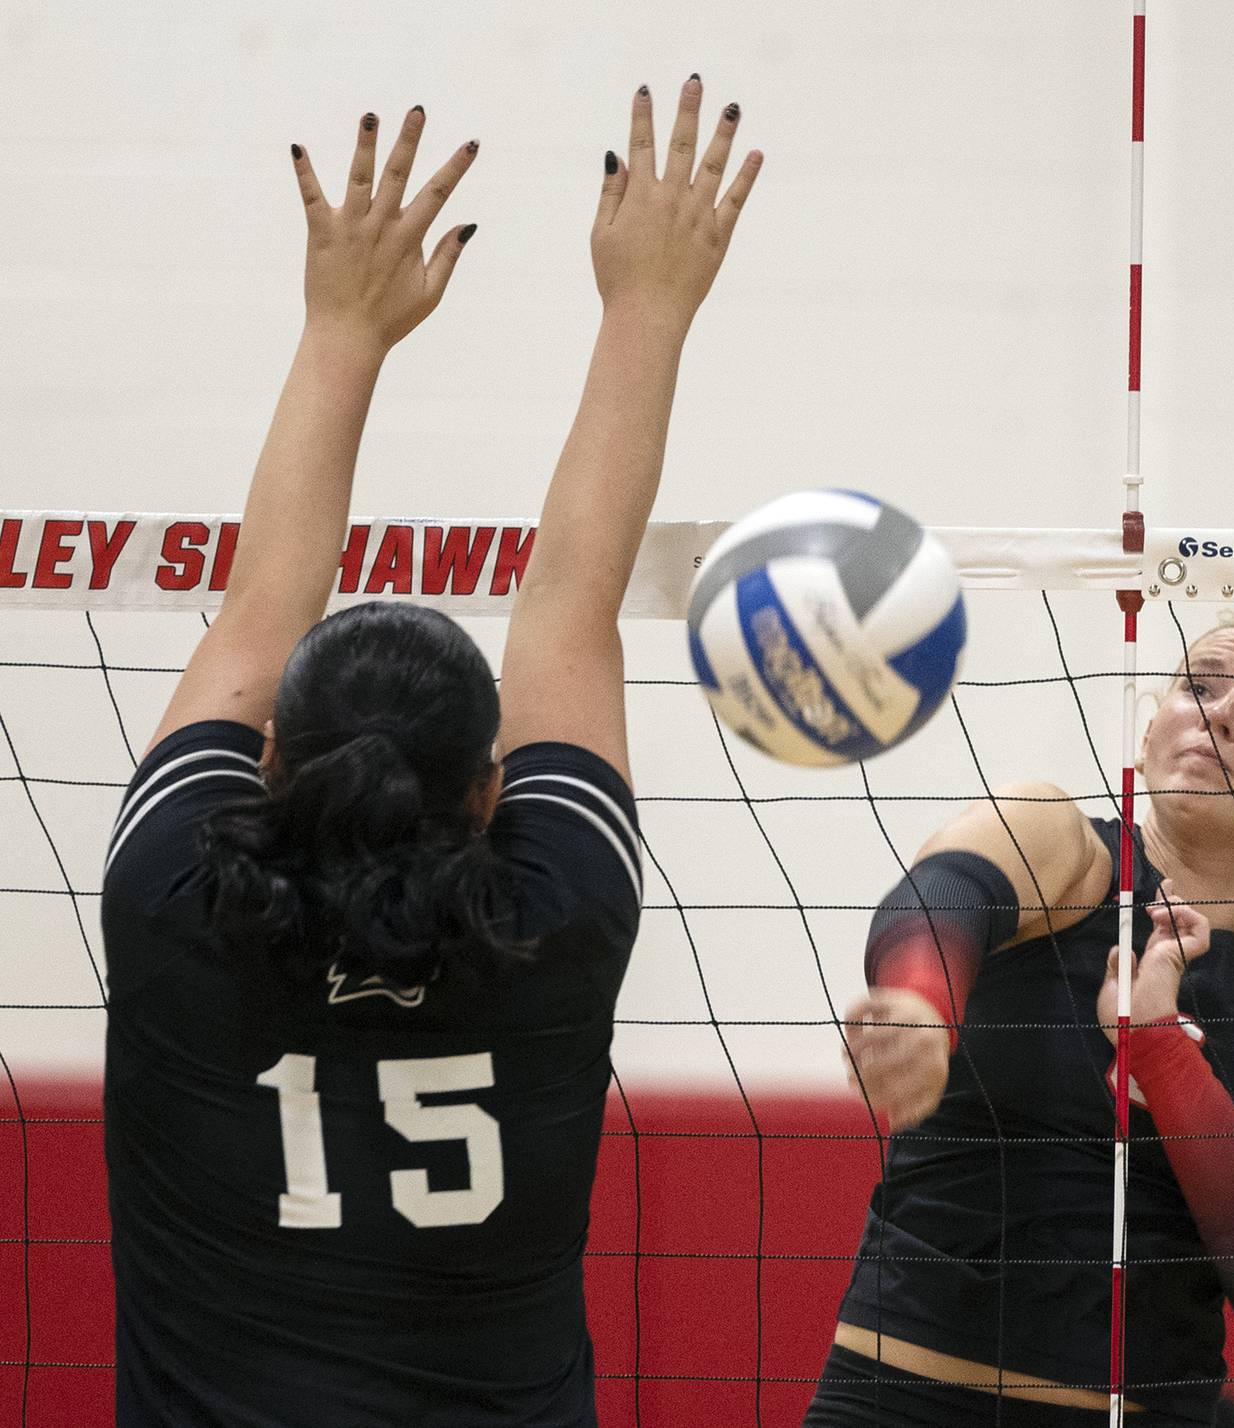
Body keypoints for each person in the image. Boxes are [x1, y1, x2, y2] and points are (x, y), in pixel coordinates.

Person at [100, 82, 761, 1426]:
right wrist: (649, 306)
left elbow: (254, 609)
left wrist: (343, 326)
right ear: (492, 791)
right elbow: (573, 606)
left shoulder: (172, 895)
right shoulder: (553, 917)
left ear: (269, 751)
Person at [806, 615, 1234, 1426]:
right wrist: (920, 1008)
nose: (1216, 716)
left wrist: (1163, 1059)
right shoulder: (1060, 845)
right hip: (899, 1403)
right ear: (1150, 729)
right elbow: (943, 897)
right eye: (1197, 686)